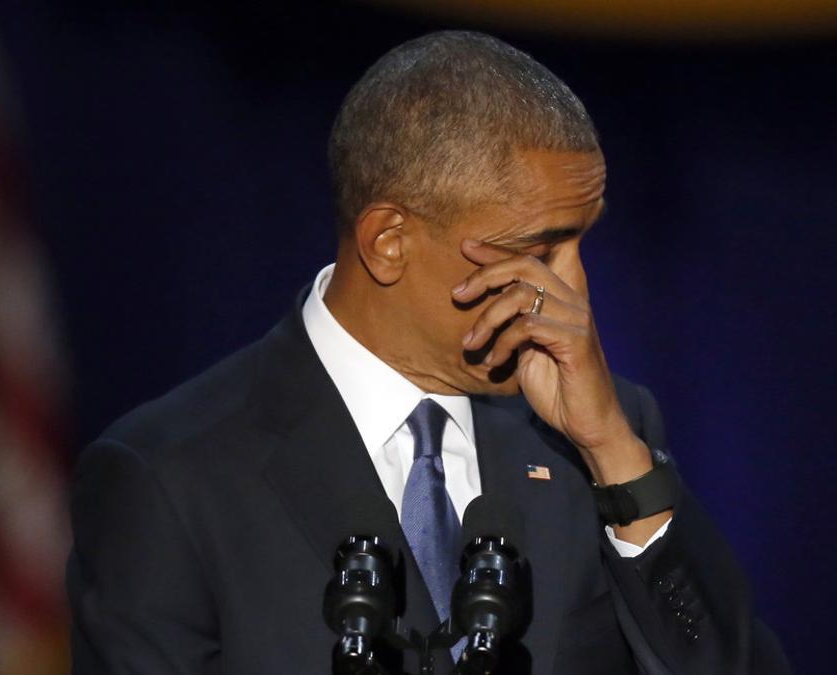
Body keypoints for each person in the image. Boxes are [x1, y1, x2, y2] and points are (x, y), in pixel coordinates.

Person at [66, 31, 790, 674]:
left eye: (579, 244)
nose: (572, 292)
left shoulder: (604, 438)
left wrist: (616, 458)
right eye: (534, 251)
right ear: (388, 242)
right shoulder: (169, 479)